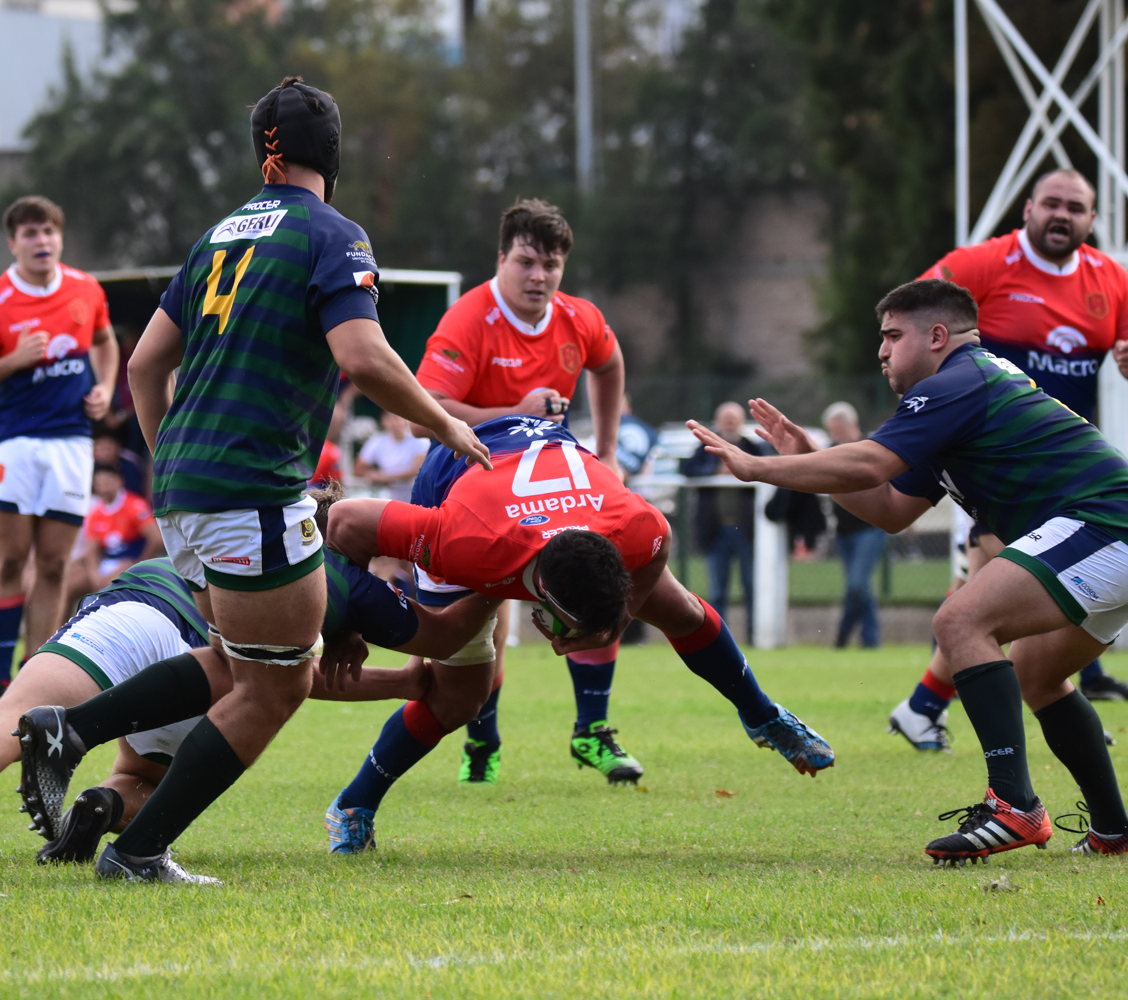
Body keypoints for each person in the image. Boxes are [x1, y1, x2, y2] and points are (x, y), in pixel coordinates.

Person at [102, 75, 489, 884]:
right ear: (332, 153)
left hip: (179, 491)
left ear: (262, 154)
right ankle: (138, 851)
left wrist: (171, 463)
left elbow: (143, 364)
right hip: (251, 488)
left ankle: (71, 731)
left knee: (236, 662)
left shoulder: (216, 237)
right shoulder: (333, 233)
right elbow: (361, 355)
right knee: (277, 684)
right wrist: (446, 422)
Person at [690, 278, 1128, 860]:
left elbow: (872, 461)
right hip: (1116, 533)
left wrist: (759, 468)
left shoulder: (957, 381)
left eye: (892, 336)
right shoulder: (959, 397)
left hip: (1108, 527)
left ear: (936, 336)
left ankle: (1015, 807)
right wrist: (805, 457)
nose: (881, 351)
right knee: (1034, 672)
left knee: (960, 621)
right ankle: (1115, 832)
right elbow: (890, 508)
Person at [317, 414, 835, 853]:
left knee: (682, 611)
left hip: (548, 463)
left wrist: (619, 619)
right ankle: (354, 803)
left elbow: (661, 541)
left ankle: (762, 714)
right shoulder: (462, 541)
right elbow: (344, 521)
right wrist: (340, 626)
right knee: (457, 685)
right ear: (544, 601)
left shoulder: (634, 528)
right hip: (461, 476)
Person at [0, 518, 499, 864]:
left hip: (133, 614)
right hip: (196, 660)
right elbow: (275, 682)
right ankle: (106, 809)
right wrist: (411, 678)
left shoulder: (236, 542)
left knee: (15, 714)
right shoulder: (306, 589)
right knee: (145, 776)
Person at [888, 169, 1128, 753]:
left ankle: (927, 706)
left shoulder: (1112, 281)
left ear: (1092, 220)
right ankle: (998, 707)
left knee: (986, 594)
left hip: (1066, 473)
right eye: (1051, 202)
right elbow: (909, 317)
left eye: (1075, 207)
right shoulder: (982, 265)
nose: (1062, 214)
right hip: (994, 464)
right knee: (997, 591)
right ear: (1026, 208)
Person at [411, 198, 635, 786]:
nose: (539, 276)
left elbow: (609, 366)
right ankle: (482, 740)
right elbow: (420, 415)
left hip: (544, 488)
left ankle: (592, 730)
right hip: (466, 491)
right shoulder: (468, 318)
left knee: (593, 583)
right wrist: (514, 411)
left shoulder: (578, 318)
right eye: (527, 262)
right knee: (479, 628)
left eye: (552, 264)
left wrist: (607, 449)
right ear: (502, 259)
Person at [0, 195, 120, 714]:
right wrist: (14, 359)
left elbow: (105, 342)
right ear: (13, 243)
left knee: (53, 564)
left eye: (48, 231)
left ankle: (35, 679)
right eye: (29, 233)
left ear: (60, 238)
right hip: (16, 442)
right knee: (9, 559)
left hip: (72, 442)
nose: (41, 240)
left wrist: (105, 386)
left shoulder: (86, 288)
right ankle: (0, 680)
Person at [681, 402, 762, 643]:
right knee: (717, 592)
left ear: (741, 421)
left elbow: (770, 467)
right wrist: (716, 471)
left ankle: (755, 637)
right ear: (717, 421)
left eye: (733, 418)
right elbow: (688, 469)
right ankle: (720, 642)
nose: (729, 423)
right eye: (725, 418)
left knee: (752, 587)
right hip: (716, 531)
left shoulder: (752, 448)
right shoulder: (705, 449)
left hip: (748, 531)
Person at [822, 402, 888, 649]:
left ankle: (842, 636)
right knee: (861, 589)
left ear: (852, 425)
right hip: (843, 531)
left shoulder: (869, 449)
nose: (835, 435)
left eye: (838, 430)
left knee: (857, 584)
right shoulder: (831, 451)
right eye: (832, 431)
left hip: (870, 528)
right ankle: (870, 640)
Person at [61, 462, 163, 612]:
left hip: (128, 561)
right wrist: (94, 574)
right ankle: (59, 630)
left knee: (108, 587)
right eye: (99, 484)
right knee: (66, 584)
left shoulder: (135, 505)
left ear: (118, 481)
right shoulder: (96, 512)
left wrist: (139, 563)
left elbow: (156, 539)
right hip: (105, 562)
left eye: (106, 482)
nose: (103, 488)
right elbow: (92, 550)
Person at [353, 411, 429, 502]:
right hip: (386, 496)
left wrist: (384, 477)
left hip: (415, 494)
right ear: (384, 421)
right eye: (391, 419)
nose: (395, 423)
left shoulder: (419, 440)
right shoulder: (377, 440)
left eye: (398, 418)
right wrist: (372, 475)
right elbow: (358, 469)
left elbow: (417, 470)